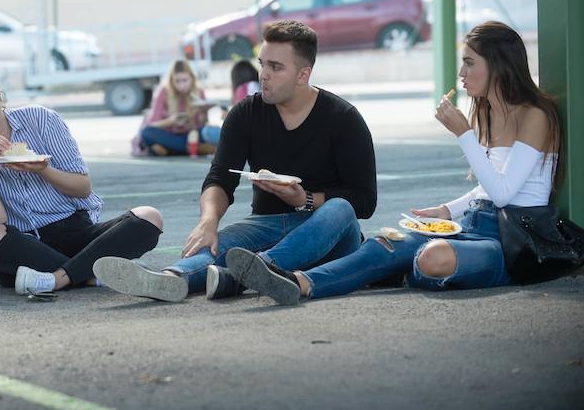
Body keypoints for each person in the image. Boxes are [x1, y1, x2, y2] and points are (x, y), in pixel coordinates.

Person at [219, 21, 565, 305]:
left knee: (432, 258)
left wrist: (464, 134)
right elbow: (487, 188)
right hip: (474, 224)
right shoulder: (490, 112)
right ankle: (299, 283)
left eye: (470, 62)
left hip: (510, 243)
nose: (461, 71)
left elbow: (504, 194)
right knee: (386, 242)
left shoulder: (534, 115)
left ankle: (398, 270)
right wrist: (447, 210)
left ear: (498, 66)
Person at [95, 20, 377, 303]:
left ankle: (259, 268)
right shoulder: (246, 114)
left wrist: (304, 199)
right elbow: (220, 178)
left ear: (303, 74)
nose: (263, 75)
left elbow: (365, 201)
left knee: (340, 208)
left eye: (275, 67)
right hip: (267, 224)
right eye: (262, 64)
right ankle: (171, 278)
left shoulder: (343, 118)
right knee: (220, 241)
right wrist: (208, 221)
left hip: (331, 234)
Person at [0, 64, 163, 296]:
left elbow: (82, 188)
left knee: (149, 217)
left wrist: (43, 170)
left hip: (76, 233)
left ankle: (57, 279)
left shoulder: (41, 119)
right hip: (24, 246)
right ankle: (90, 273)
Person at [134, 60, 213, 156]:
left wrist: (203, 112)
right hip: (168, 135)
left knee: (207, 131)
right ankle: (193, 149)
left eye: (185, 80)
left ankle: (172, 149)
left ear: (192, 78)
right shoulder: (163, 92)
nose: (181, 85)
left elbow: (202, 126)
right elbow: (152, 125)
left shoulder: (199, 92)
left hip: (190, 135)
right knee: (146, 133)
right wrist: (171, 121)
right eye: (177, 81)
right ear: (171, 80)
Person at [201, 59, 260, 146]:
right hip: (254, 134)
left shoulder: (243, 88)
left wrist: (229, 116)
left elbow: (245, 117)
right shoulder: (257, 85)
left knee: (207, 131)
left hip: (247, 137)